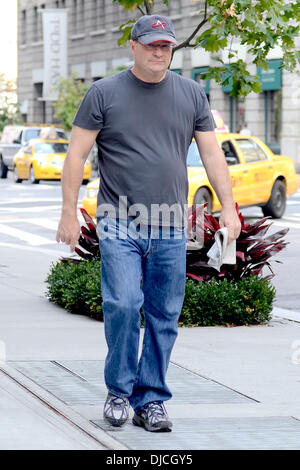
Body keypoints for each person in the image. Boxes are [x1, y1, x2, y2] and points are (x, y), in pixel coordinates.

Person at [56, 14, 241, 433]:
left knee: (164, 313)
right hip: (119, 219)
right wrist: (68, 212)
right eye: (153, 44)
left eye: (167, 46)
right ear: (134, 47)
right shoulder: (104, 93)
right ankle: (119, 391)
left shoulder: (192, 94)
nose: (160, 52)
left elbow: (212, 154)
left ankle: (151, 400)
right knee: (123, 303)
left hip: (171, 223)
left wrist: (228, 206)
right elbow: (76, 156)